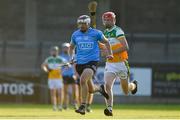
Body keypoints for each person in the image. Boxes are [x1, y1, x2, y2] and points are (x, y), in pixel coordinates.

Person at [69, 15, 113, 115]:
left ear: (88, 23)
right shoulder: (75, 34)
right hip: (79, 63)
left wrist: (110, 54)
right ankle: (100, 89)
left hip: (92, 62)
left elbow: (106, 42)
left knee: (82, 80)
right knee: (91, 89)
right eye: (79, 23)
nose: (81, 26)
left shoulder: (96, 33)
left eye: (83, 23)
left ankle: (83, 106)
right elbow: (71, 47)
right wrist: (71, 57)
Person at [101, 12, 138, 116]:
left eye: (109, 19)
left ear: (114, 20)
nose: (107, 21)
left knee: (126, 91)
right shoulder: (105, 33)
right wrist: (103, 52)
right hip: (110, 64)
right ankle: (109, 109)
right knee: (107, 86)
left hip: (121, 63)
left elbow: (125, 47)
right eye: (105, 20)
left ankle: (134, 85)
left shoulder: (118, 31)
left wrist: (109, 52)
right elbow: (105, 49)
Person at [41, 46, 64, 111]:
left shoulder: (60, 59)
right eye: (53, 51)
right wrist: (47, 70)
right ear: (51, 52)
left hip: (59, 78)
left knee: (60, 92)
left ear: (57, 52)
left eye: (55, 51)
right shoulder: (49, 59)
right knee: (52, 92)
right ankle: (54, 106)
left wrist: (61, 71)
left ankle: (60, 106)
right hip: (51, 78)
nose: (54, 52)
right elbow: (43, 66)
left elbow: (66, 65)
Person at [60, 43, 78, 110]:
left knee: (74, 91)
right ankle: (65, 105)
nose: (66, 49)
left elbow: (75, 65)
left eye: (67, 47)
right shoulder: (60, 56)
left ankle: (75, 104)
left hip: (72, 75)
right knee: (65, 91)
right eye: (65, 47)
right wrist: (65, 65)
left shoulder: (73, 56)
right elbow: (60, 65)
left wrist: (75, 74)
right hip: (64, 75)